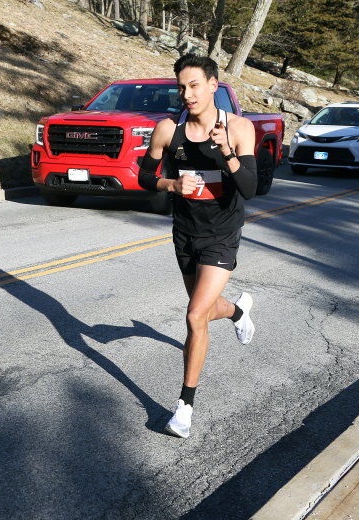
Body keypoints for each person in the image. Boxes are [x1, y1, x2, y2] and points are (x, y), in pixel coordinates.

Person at [137, 54, 258, 438]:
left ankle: (184, 407)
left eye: (194, 85)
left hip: (222, 235)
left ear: (212, 85)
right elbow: (144, 175)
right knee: (203, 313)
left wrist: (227, 153)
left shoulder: (238, 129)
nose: (186, 94)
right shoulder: (168, 130)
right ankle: (238, 312)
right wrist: (170, 185)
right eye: (181, 87)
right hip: (185, 233)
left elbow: (250, 189)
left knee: (193, 317)